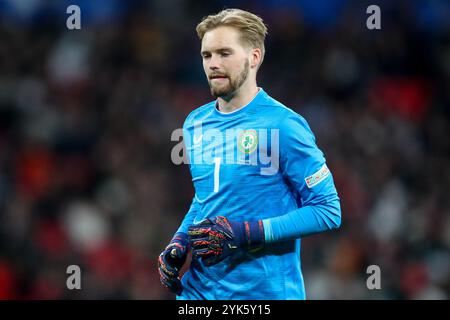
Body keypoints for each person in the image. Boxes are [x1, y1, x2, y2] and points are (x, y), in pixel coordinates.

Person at [158, 8, 341, 300]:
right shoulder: (195, 123)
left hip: (263, 294)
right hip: (199, 293)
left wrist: (247, 233)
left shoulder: (284, 125)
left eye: (224, 53)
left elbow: (328, 210)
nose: (213, 64)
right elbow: (207, 196)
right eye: (207, 55)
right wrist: (180, 241)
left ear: (254, 57)